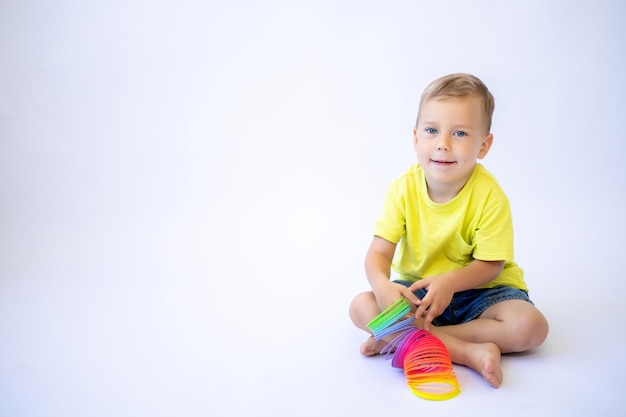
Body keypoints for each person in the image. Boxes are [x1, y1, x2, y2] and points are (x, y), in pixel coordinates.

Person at [349, 73, 549, 388]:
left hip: (482, 294)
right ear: (416, 138)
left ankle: (405, 338)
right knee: (361, 305)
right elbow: (378, 252)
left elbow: (491, 264)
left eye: (459, 133)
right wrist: (383, 285)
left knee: (531, 327)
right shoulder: (402, 189)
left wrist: (450, 282)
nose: (442, 144)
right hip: (421, 294)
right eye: (432, 131)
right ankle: (467, 351)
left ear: (484, 145)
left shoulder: (489, 196)